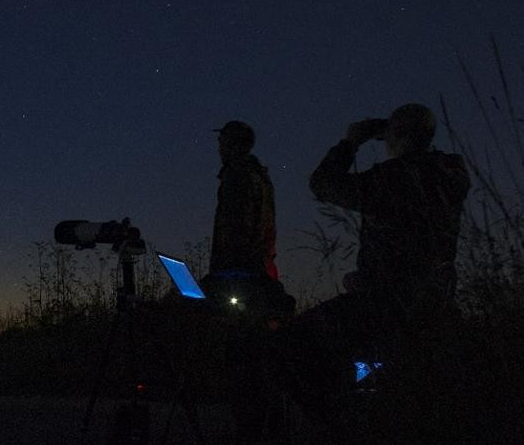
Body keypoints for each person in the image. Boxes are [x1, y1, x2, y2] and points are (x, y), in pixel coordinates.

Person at [289, 103, 470, 416]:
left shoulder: (394, 177)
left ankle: (335, 423)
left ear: (397, 135)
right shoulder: (450, 176)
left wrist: (351, 142)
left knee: (291, 346)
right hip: (433, 302)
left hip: (386, 306)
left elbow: (323, 184)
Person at [201, 121, 288, 312]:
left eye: (222, 142)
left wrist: (221, 277)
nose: (219, 148)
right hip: (259, 269)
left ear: (232, 144)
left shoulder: (237, 174)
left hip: (241, 276)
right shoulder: (259, 176)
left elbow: (236, 229)